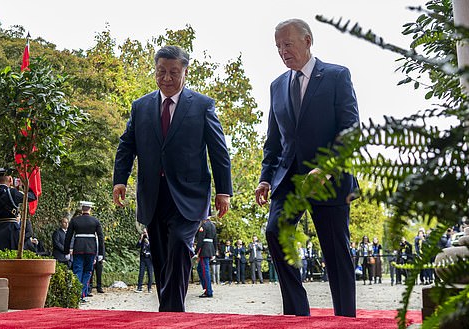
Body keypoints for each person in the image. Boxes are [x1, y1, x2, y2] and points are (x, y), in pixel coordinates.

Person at [112, 45, 233, 312]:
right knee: (161, 256)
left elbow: (218, 150)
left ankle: (171, 312)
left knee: (180, 243)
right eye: (161, 72)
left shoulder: (202, 105)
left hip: (189, 195)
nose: (167, 78)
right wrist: (120, 180)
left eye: (173, 72)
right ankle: (168, 308)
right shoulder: (140, 106)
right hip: (153, 194)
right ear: (155, 71)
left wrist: (224, 191)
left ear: (185, 72)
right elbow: (126, 145)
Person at [254, 18, 359, 317]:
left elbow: (351, 130)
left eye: (287, 44)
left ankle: (346, 320)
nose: (282, 51)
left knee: (336, 252)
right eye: (277, 47)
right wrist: (265, 179)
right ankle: (298, 315)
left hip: (329, 178)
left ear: (308, 41)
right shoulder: (276, 86)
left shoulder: (338, 76)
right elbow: (273, 141)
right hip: (287, 179)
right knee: (275, 231)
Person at [0, 168, 37, 250]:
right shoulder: (13, 192)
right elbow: (32, 197)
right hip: (10, 231)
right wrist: (24, 185)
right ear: (10, 179)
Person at [64, 201, 105, 302]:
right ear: (90, 209)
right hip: (91, 250)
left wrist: (66, 252)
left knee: (78, 270)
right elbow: (100, 238)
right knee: (88, 271)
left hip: (78, 249)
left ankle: (76, 294)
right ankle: (82, 294)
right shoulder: (95, 221)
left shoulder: (74, 221)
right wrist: (101, 253)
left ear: (82, 209)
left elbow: (68, 237)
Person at [194, 217, 217, 298]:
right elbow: (215, 240)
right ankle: (207, 288)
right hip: (210, 249)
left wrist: (196, 251)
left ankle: (208, 291)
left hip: (204, 249)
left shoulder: (203, 225)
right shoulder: (213, 225)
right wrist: (215, 251)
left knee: (205, 270)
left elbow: (200, 240)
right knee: (200, 269)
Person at [136, 227, 154, 293]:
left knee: (150, 273)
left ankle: (149, 288)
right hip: (143, 257)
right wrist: (140, 239)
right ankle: (139, 287)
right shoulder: (142, 239)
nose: (144, 234)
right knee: (141, 272)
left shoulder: (151, 238)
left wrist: (148, 241)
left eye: (145, 232)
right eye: (143, 232)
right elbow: (137, 246)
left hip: (149, 258)